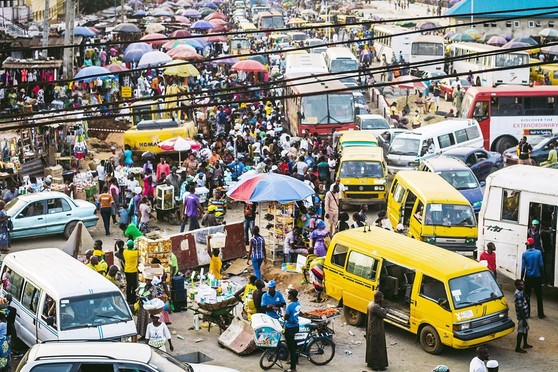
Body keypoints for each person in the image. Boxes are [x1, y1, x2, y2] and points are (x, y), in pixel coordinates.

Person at [521, 237, 545, 318]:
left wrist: (521, 279)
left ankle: (528, 313)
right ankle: (540, 314)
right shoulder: (538, 253)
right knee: (539, 296)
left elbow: (523, 268)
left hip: (528, 277)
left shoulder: (524, 254)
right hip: (537, 277)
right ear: (534, 244)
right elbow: (541, 265)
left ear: (528, 245)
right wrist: (542, 277)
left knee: (527, 296)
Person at [365, 291, 388, 371]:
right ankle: (376, 366)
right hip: (376, 330)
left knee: (374, 347)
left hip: (373, 328)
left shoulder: (371, 304)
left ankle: (374, 364)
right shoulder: (375, 307)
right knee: (376, 348)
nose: (383, 299)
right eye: (382, 298)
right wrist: (384, 309)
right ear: (378, 298)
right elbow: (383, 314)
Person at [284, 288, 301, 372]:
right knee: (295, 344)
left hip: (290, 328)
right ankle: (295, 360)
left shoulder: (290, 305)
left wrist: (284, 315)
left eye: (289, 294)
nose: (288, 295)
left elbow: (286, 317)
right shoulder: (298, 303)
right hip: (296, 326)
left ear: (291, 296)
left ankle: (293, 368)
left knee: (291, 348)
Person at [514, 279, 532, 353]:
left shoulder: (521, 292)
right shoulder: (518, 294)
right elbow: (520, 308)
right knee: (521, 331)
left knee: (526, 330)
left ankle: (525, 344)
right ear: (517, 286)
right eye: (521, 285)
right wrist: (524, 320)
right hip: (522, 316)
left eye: (523, 284)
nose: (523, 286)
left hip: (525, 315)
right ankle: (517, 348)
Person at [123, 240, 139, 305]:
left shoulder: (125, 252)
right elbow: (139, 253)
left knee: (128, 285)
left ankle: (128, 298)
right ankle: (133, 300)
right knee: (134, 286)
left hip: (127, 270)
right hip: (133, 271)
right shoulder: (135, 253)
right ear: (133, 246)